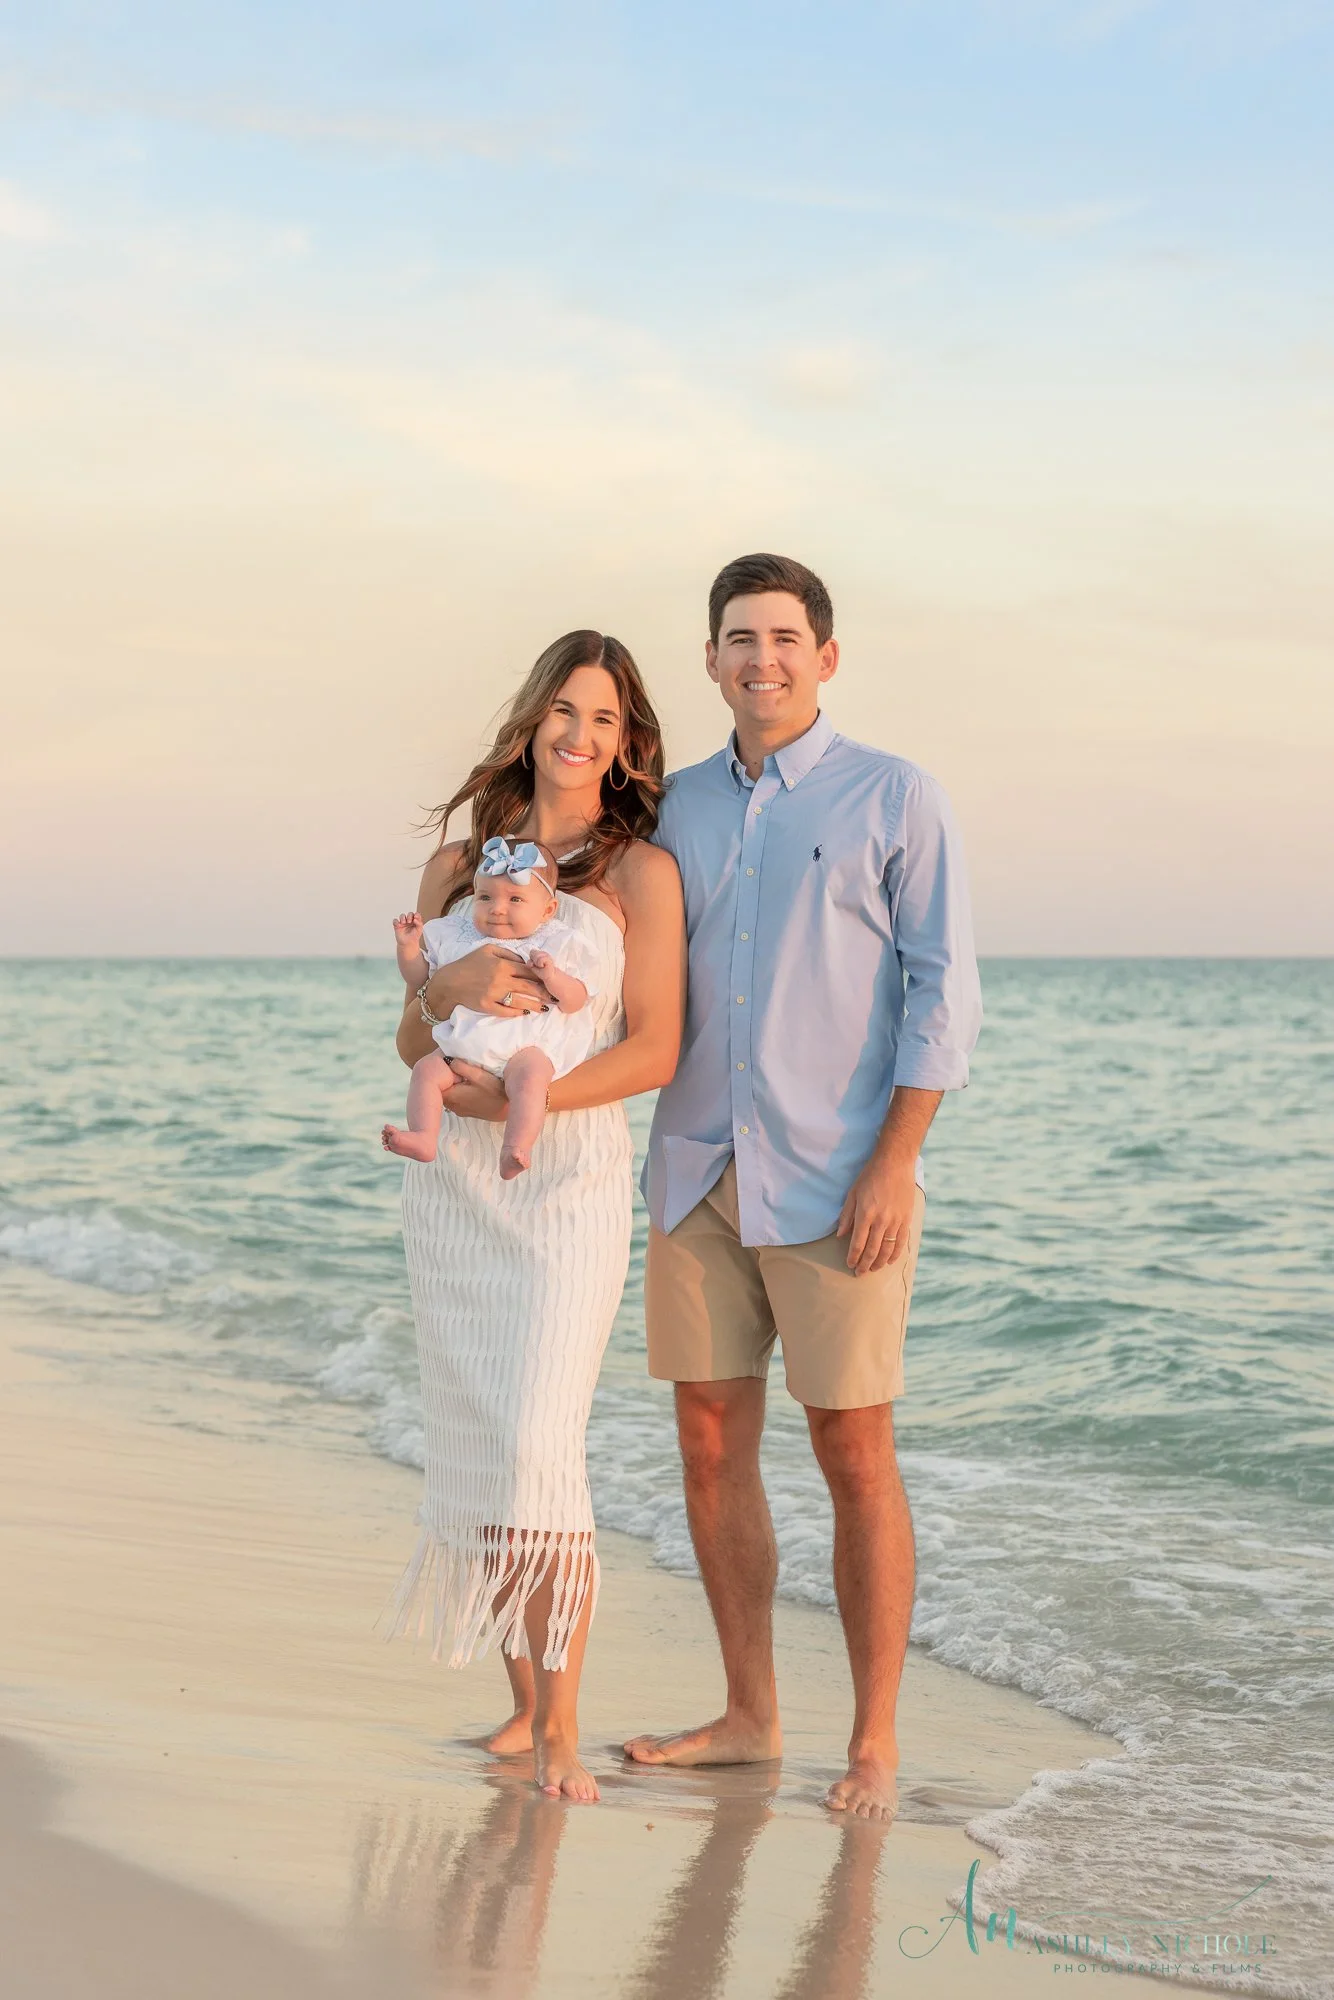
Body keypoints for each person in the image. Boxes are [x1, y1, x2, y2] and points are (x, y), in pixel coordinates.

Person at [624, 553, 982, 1822]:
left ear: (824, 657)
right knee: (709, 1442)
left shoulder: (896, 795)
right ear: (709, 660)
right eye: (737, 637)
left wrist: (897, 1158)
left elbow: (944, 989)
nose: (760, 657)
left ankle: (874, 1738)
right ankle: (746, 1714)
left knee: (853, 1448)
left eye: (783, 636)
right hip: (695, 1168)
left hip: (840, 1179)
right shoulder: (666, 811)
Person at [381, 630, 685, 1804]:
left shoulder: (638, 875)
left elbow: (653, 1047)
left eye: (605, 718)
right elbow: (413, 1038)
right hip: (453, 1186)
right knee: (476, 1436)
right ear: (532, 715)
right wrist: (444, 988)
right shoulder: (457, 865)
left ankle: (564, 1728)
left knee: (535, 1447)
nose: (580, 733)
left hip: (564, 1187)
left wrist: (543, 1095)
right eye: (566, 707)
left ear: (627, 742)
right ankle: (521, 1703)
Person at [382, 837, 601, 1178]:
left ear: (547, 910)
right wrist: (408, 947)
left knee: (530, 1081)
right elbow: (420, 978)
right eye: (485, 897)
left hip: (526, 1047)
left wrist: (553, 976)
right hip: (462, 1045)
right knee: (426, 1072)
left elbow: (576, 1000)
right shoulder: (457, 937)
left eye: (515, 899)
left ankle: (516, 1148)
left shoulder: (555, 944)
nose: (497, 908)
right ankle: (424, 1137)